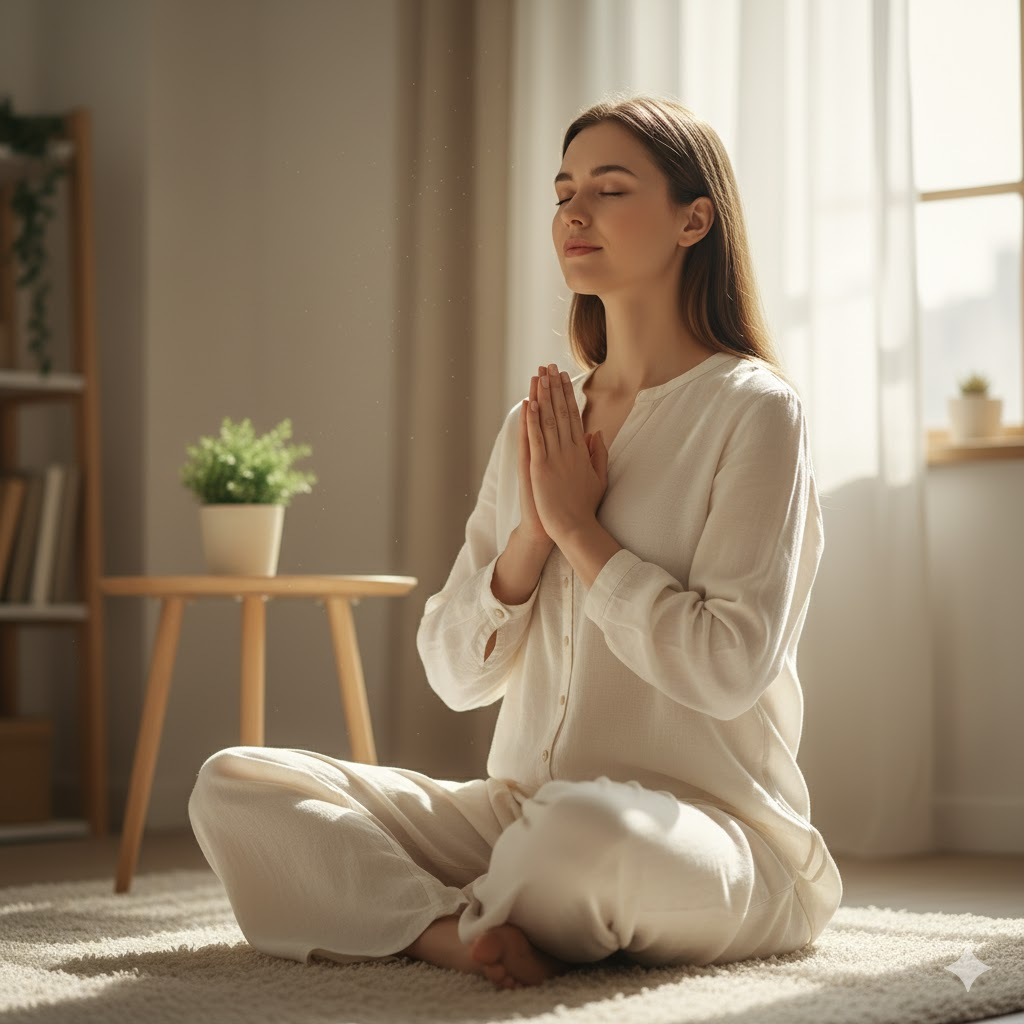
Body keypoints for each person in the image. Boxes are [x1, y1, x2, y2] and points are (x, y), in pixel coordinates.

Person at [188, 94, 843, 991]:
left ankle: (439, 905)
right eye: (565, 190)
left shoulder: (757, 411)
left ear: (696, 219)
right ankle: (452, 931)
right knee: (236, 784)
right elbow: (456, 677)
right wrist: (529, 544)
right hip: (515, 817)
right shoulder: (538, 423)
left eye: (610, 190)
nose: (574, 213)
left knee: (577, 837)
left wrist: (580, 531)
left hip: (704, 832)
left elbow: (728, 669)